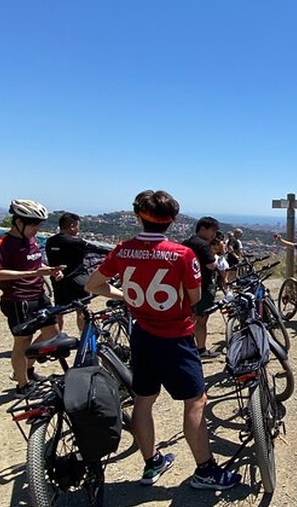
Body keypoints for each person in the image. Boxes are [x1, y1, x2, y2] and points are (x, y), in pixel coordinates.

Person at [85, 190, 240, 490]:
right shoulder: (181, 254)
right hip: (176, 337)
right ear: (172, 220)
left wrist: (126, 296)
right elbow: (194, 297)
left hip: (142, 334)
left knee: (143, 401)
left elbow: (94, 285)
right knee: (195, 401)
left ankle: (152, 462)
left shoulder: (123, 250)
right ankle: (205, 470)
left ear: (138, 217)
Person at [0, 199, 64, 395]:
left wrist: (51, 270)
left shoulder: (31, 240)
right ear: (19, 222)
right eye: (33, 225)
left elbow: (35, 265)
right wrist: (31, 274)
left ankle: (26, 369)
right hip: (18, 299)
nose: (36, 229)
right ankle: (22, 384)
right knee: (23, 341)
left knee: (53, 333)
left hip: (38, 295)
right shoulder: (2, 244)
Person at [45, 212, 112, 332]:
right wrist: (115, 253)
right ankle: (84, 336)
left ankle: (55, 336)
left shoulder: (50, 241)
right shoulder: (75, 242)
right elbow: (98, 249)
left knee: (59, 310)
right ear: (72, 226)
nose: (78, 230)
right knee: (81, 309)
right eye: (77, 226)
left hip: (58, 280)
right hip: (77, 279)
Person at [181, 216, 220, 358]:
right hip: (203, 286)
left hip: (187, 286)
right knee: (201, 320)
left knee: (190, 317)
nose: (214, 235)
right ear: (203, 229)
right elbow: (211, 265)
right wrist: (217, 258)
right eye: (212, 231)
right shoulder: (203, 245)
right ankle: (201, 349)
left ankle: (187, 345)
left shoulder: (187, 242)